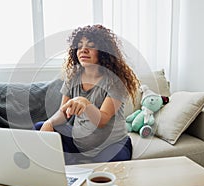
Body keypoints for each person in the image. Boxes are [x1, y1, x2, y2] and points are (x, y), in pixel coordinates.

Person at [34, 24, 139, 165]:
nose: (83, 49)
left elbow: (101, 121)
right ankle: (72, 165)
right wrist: (50, 123)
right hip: (79, 143)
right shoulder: (73, 78)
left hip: (110, 145)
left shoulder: (115, 81)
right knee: (40, 127)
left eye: (91, 45)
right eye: (79, 45)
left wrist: (85, 103)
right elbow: (63, 113)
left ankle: (74, 163)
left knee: (106, 171)